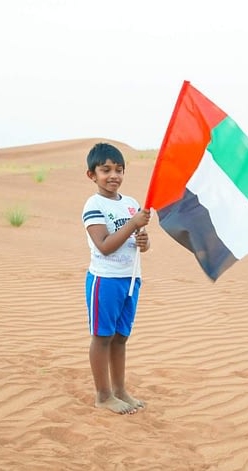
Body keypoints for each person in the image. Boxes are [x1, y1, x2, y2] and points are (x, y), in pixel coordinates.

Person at [81, 142, 151, 414]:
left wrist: (143, 240)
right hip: (106, 280)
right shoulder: (94, 204)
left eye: (119, 170)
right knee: (102, 337)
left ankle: (120, 390)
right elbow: (105, 245)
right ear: (92, 174)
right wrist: (134, 225)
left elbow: (138, 243)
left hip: (131, 279)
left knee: (121, 338)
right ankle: (103, 395)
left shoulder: (131, 204)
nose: (114, 176)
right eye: (105, 169)